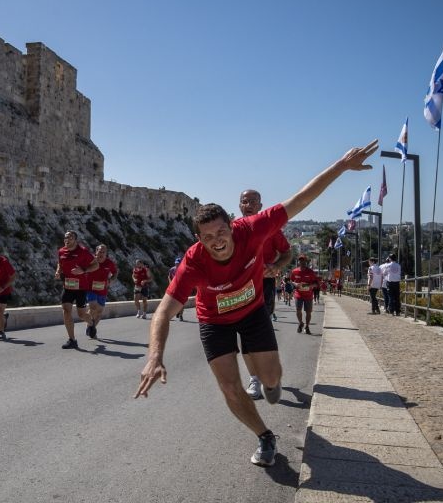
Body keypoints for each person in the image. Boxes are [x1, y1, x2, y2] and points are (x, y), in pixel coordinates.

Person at [135, 140, 378, 467]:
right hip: (214, 321)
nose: (217, 242)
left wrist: (342, 165)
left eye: (221, 232)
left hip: (251, 313)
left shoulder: (252, 229)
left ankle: (270, 381)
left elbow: (301, 200)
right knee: (229, 387)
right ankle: (264, 436)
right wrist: (155, 356)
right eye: (208, 238)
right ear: (199, 240)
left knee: (271, 378)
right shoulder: (193, 262)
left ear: (231, 226)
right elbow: (163, 311)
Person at [238, 189, 293, 400]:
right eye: (245, 201)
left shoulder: (270, 228)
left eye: (253, 201)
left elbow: (287, 253)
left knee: (260, 329)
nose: (249, 205)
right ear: (240, 205)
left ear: (260, 206)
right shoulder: (232, 229)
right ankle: (255, 378)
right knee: (244, 331)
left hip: (264, 283)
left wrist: (277, 266)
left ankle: (269, 373)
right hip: (242, 285)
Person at [54, 230, 97, 349]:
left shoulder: (83, 251)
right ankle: (72, 340)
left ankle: (91, 323)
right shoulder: (61, 251)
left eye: (70, 237)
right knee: (66, 310)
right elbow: (60, 263)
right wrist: (58, 271)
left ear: (75, 240)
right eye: (65, 237)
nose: (67, 240)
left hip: (81, 288)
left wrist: (83, 270)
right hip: (67, 286)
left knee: (81, 314)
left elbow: (95, 265)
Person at [84, 244, 117, 339]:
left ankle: (91, 328)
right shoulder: (90, 261)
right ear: (96, 252)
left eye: (103, 252)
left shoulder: (109, 263)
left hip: (102, 291)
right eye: (99, 252)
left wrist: (111, 280)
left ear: (106, 253)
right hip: (90, 289)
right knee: (93, 307)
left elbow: (115, 272)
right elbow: (82, 269)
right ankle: (91, 325)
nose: (101, 254)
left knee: (99, 313)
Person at [290, 256, 319, 334]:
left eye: (303, 261)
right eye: (300, 261)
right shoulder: (294, 271)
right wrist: (295, 284)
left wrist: (310, 286)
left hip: (308, 295)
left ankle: (307, 326)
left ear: (306, 262)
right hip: (298, 294)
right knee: (298, 310)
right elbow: (291, 280)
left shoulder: (310, 272)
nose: (302, 262)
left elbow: (316, 283)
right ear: (298, 262)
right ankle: (300, 323)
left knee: (308, 312)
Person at [168, 256, 185, 321]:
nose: (177, 264)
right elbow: (169, 276)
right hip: (174, 287)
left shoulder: (184, 269)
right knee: (172, 301)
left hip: (182, 288)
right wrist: (170, 283)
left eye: (178, 263)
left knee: (181, 302)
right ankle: (176, 312)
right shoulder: (172, 269)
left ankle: (180, 315)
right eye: (176, 263)